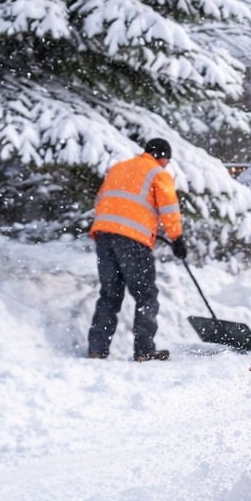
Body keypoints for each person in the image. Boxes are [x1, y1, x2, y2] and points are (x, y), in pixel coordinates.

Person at [86, 138, 187, 361]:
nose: (165, 166)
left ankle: (96, 349)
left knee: (110, 294)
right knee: (146, 295)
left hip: (104, 235)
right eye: (166, 161)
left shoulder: (119, 168)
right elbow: (169, 207)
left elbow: (102, 200)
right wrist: (177, 238)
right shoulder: (157, 173)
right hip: (131, 240)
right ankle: (144, 351)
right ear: (162, 157)